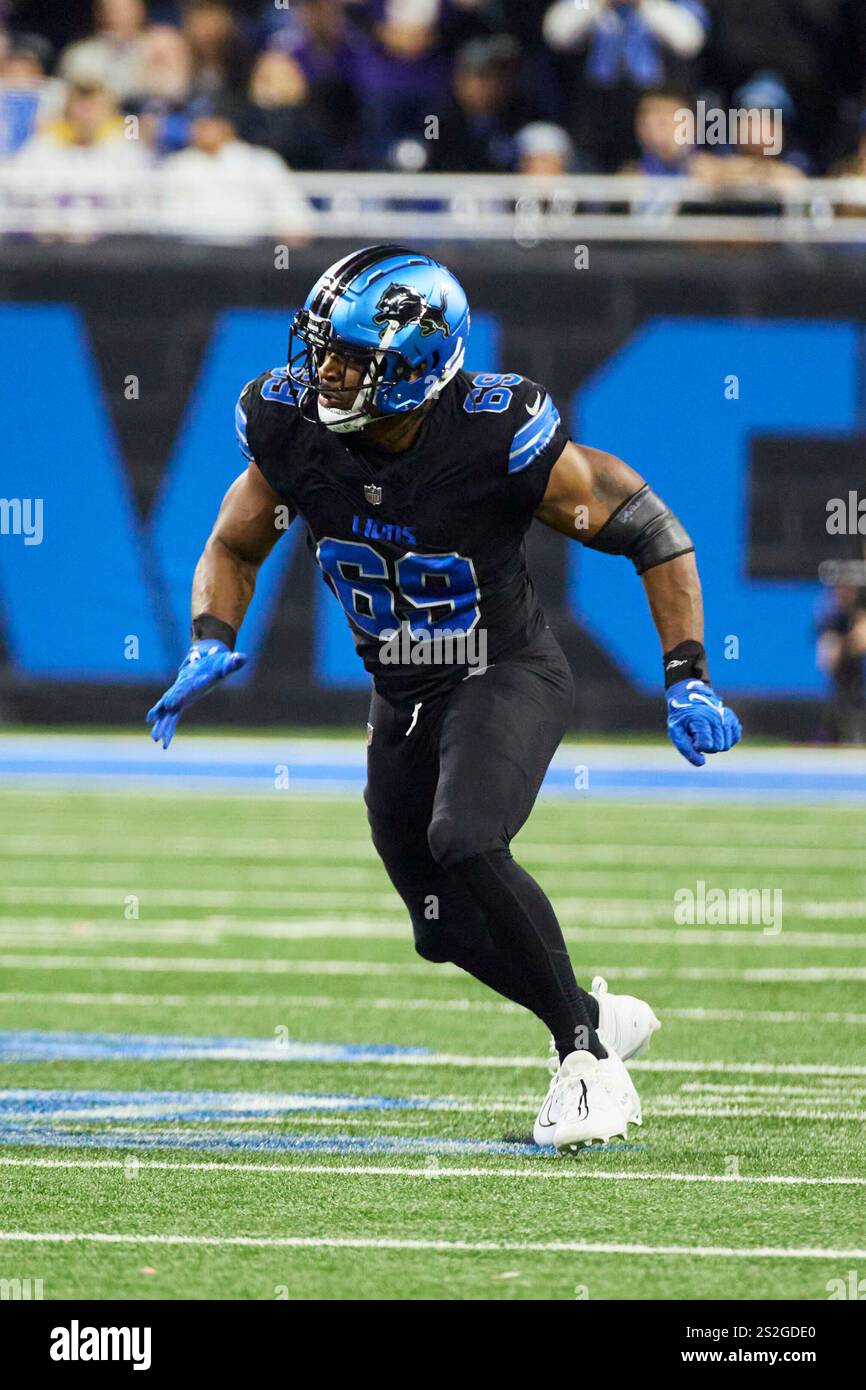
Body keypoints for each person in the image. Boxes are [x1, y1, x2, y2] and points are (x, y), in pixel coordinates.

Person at [145, 245, 742, 1150]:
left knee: (465, 838)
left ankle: (585, 1064)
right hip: (403, 695)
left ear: (418, 368)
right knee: (440, 927)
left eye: (351, 358)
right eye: (322, 349)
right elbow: (235, 544)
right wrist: (210, 638)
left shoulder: (493, 433)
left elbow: (651, 529)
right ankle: (592, 1013)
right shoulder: (291, 424)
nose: (325, 372)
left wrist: (687, 669)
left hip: (502, 672)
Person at [160, 93, 311, 244]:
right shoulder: (177, 164)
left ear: (228, 125)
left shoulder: (260, 162)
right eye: (195, 122)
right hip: (187, 257)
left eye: (209, 122)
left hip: (252, 254)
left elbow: (294, 215)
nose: (200, 129)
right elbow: (158, 219)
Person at [817, 583, 866, 743]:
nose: (844, 593)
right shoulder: (834, 621)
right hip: (847, 702)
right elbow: (828, 659)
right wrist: (848, 642)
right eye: (840, 589)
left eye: (849, 588)